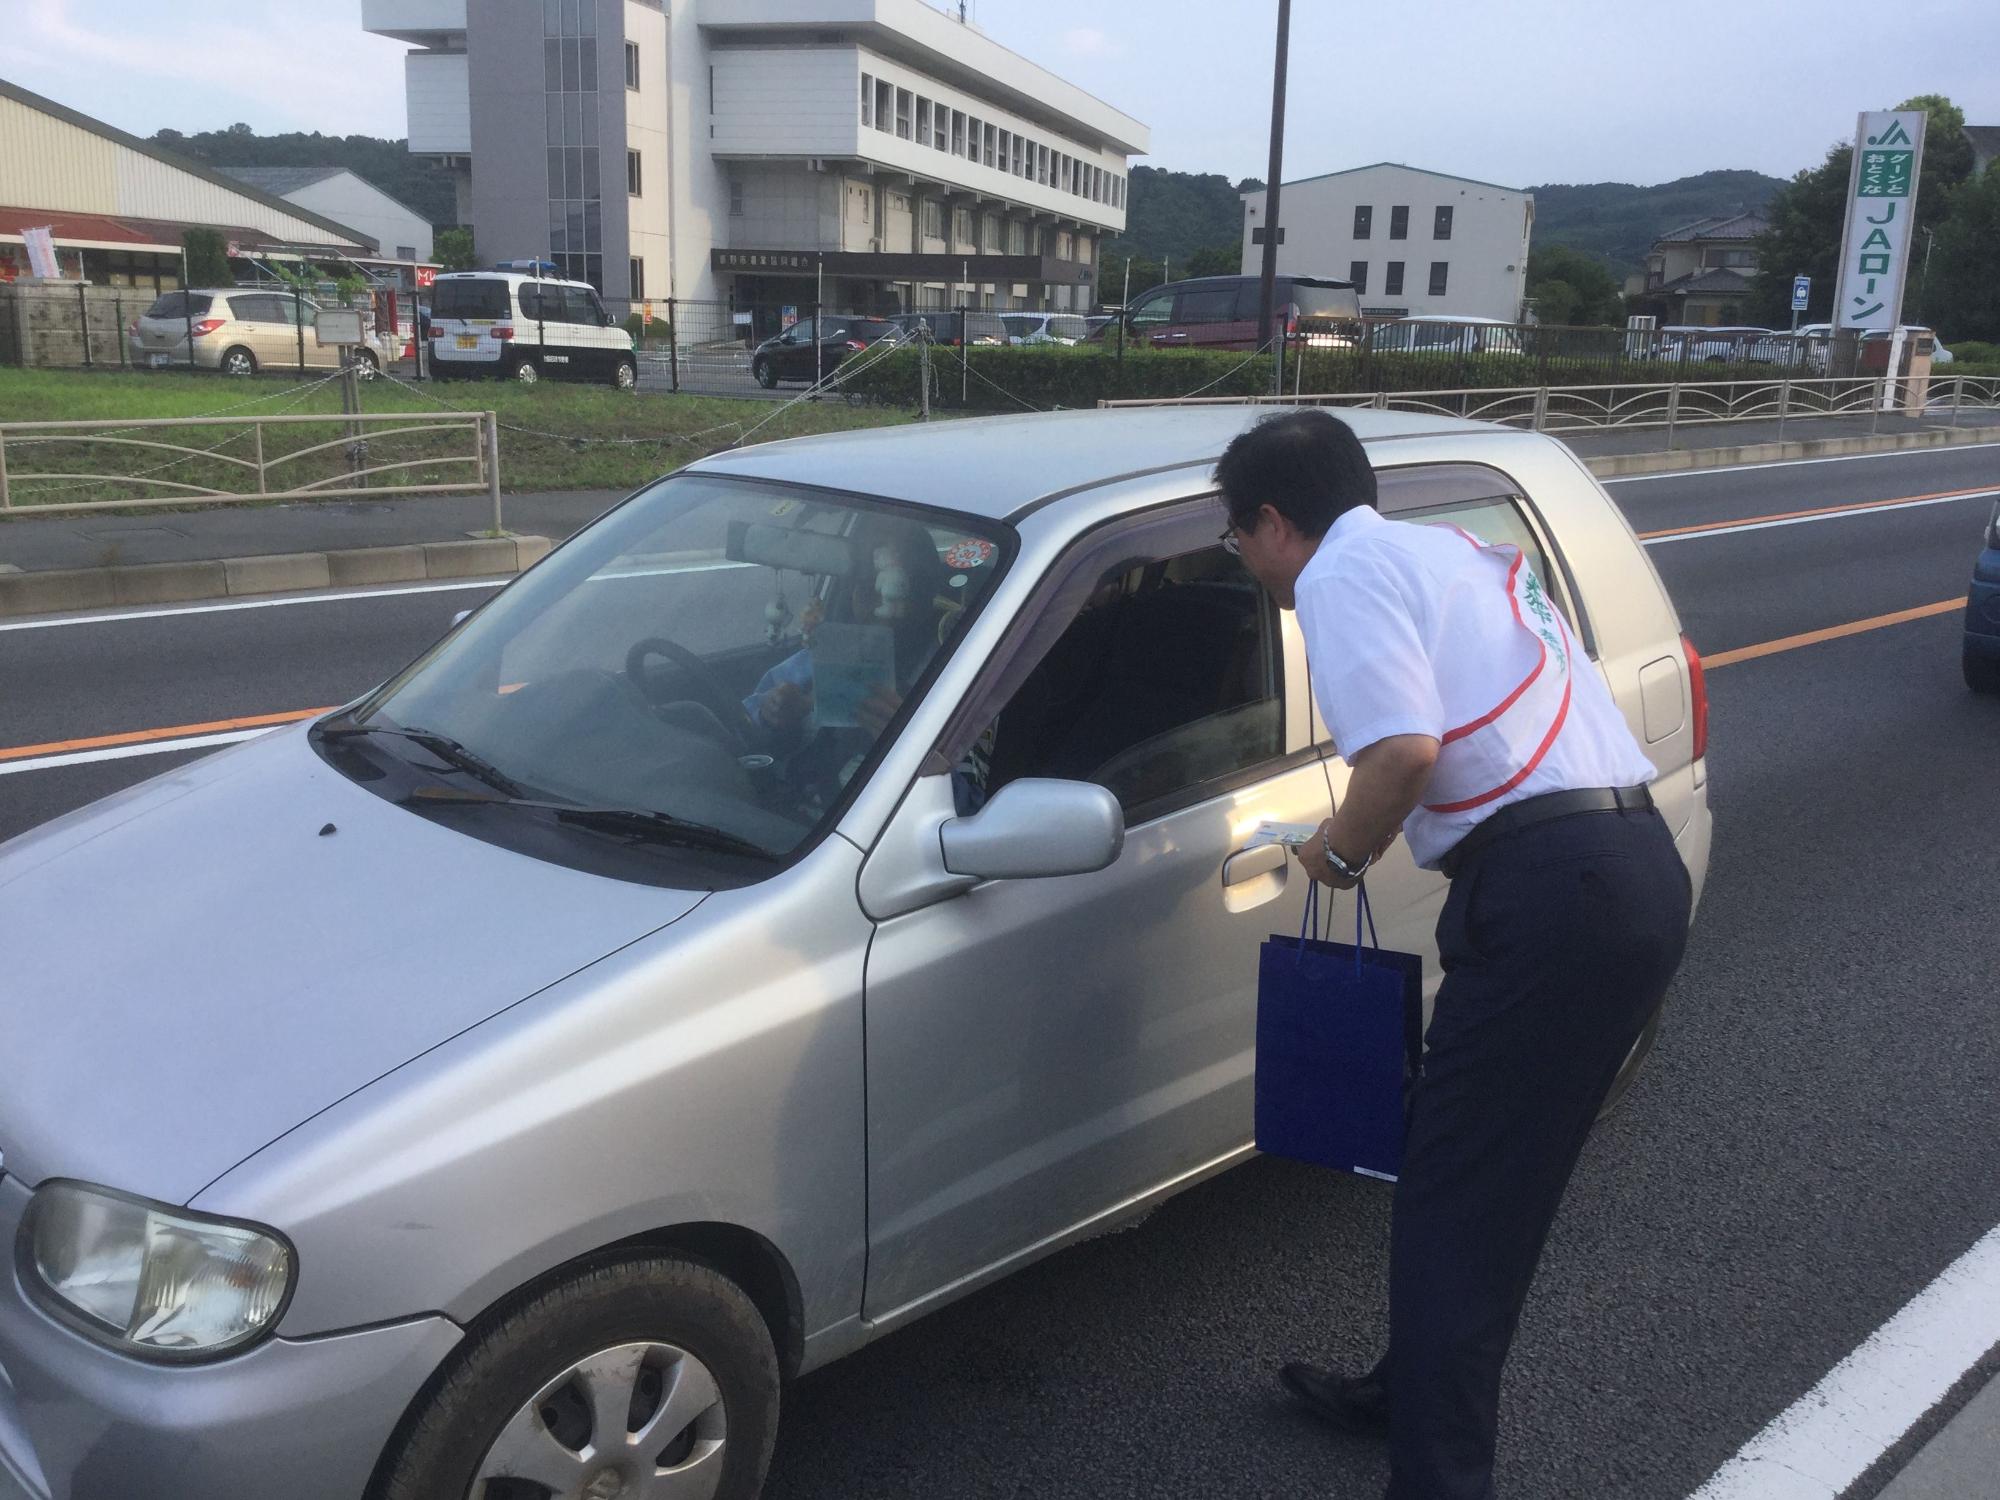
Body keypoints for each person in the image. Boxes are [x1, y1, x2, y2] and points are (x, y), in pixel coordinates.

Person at [1214, 409, 1692, 1499]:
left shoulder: (1337, 576)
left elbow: (1401, 754)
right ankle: (1406, 1390)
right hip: (1625, 870)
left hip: (1550, 894)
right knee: (1484, 1186)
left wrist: (1331, 856)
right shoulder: (1444, 548)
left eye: (1234, 538)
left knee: (1454, 1201)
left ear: (1276, 522)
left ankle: (1435, 1478)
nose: (1238, 560)